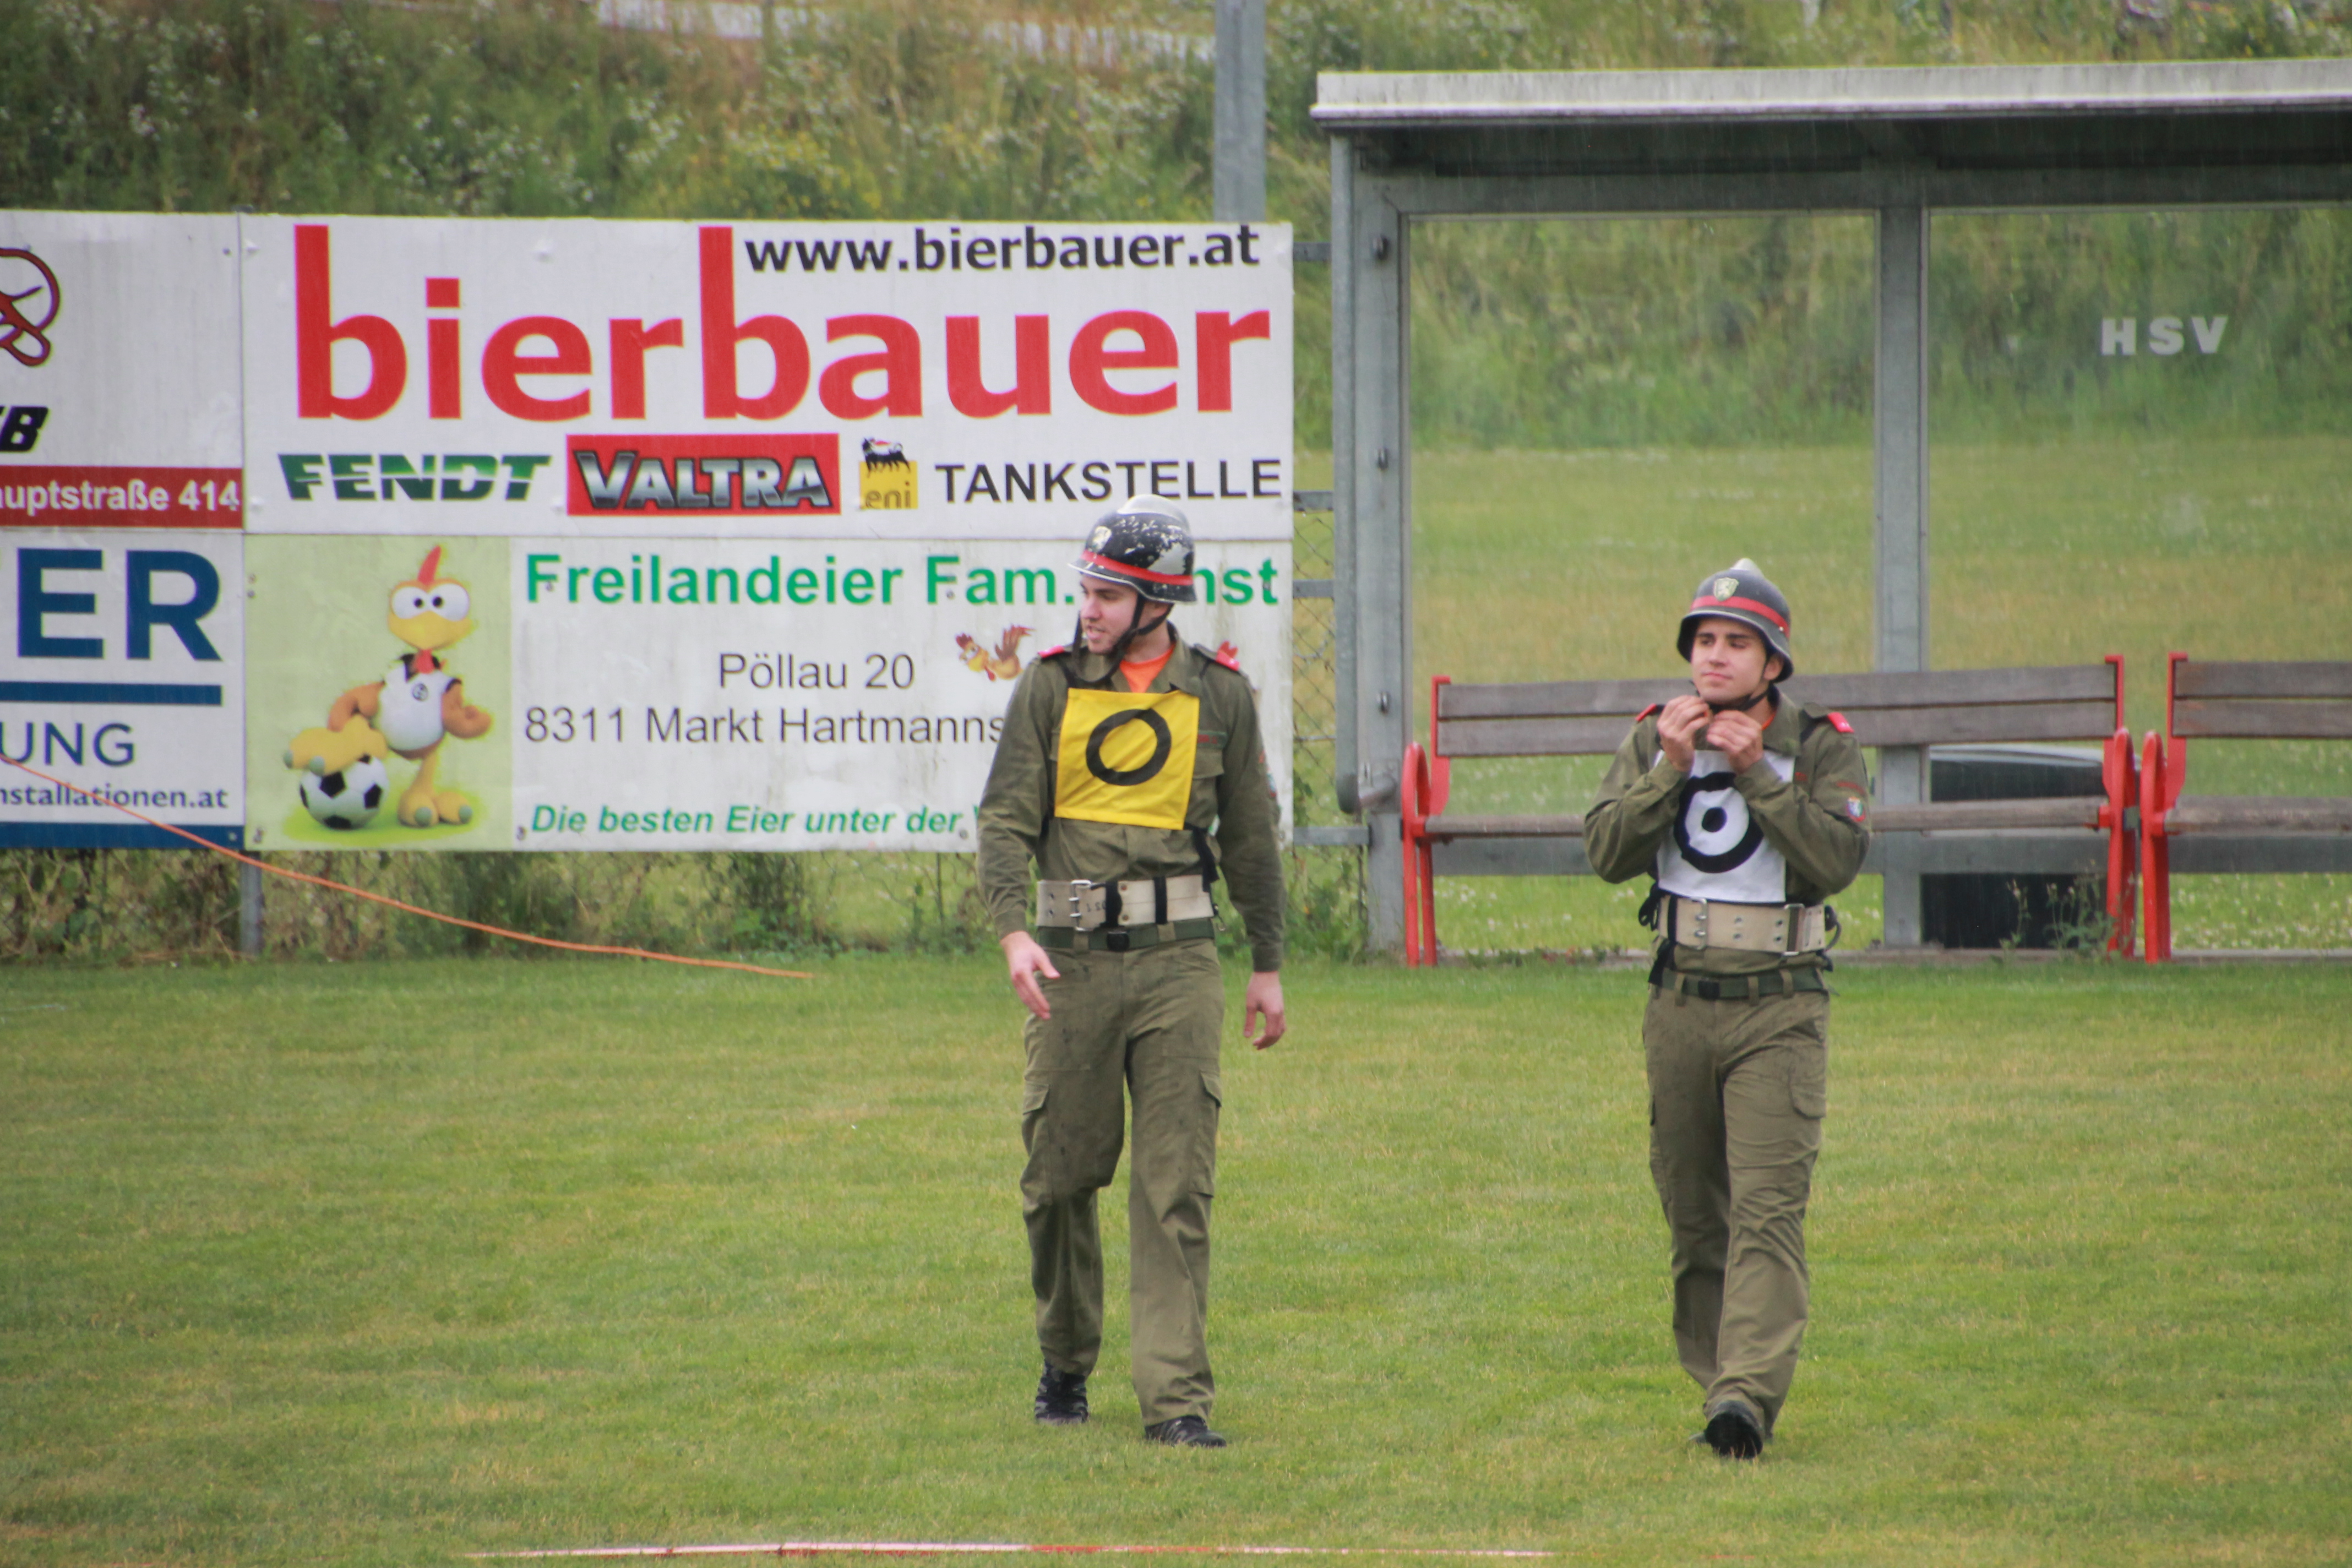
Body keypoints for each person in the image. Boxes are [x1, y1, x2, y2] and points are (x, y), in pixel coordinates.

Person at [978, 494, 1287, 1449]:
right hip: (1068, 961)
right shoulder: (1048, 688)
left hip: (1179, 965)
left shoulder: (1220, 697)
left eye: (1109, 595)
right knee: (1058, 1177)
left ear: (1159, 601)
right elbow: (1004, 820)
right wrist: (1012, 933)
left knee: (1175, 1185)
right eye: (1086, 590)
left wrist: (1267, 964)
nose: (1090, 608)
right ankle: (1066, 1360)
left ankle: (1175, 1403)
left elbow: (1251, 837)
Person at [1583, 558, 1871, 1460]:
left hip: (1779, 1003)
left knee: (1768, 1209)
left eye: (1736, 644)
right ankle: (1718, 1386)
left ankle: (1745, 1397)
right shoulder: (1655, 736)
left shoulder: (1818, 745)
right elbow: (1605, 852)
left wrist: (1758, 777)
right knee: (1695, 1212)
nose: (1714, 657)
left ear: (1772, 663)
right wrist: (1670, 770)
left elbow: (1837, 860)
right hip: (1679, 999)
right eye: (1703, 641)